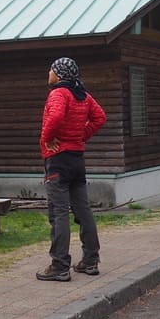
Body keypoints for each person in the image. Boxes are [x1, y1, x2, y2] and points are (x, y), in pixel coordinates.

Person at [36, 57, 107, 282]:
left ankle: (59, 265)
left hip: (58, 160)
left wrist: (47, 139)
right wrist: (80, 136)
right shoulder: (82, 94)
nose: (49, 72)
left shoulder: (58, 93)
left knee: (59, 213)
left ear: (59, 74)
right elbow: (99, 117)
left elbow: (56, 116)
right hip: (77, 159)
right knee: (83, 210)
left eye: (52, 69)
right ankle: (90, 260)